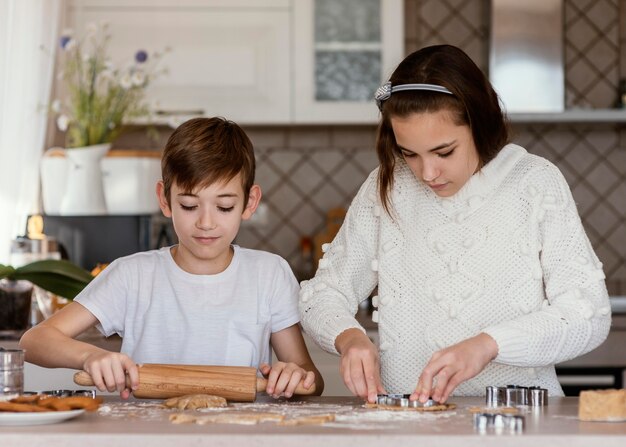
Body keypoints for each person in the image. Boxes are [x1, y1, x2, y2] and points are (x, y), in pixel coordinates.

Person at [298, 44, 611, 404]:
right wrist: (348, 336)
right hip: (410, 425)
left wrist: (488, 345)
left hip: (522, 424)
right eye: (409, 154)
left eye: (444, 152)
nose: (428, 173)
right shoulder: (386, 186)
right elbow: (321, 295)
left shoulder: (534, 183)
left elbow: (588, 314)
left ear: (480, 123)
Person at [21, 117, 324, 399]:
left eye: (225, 207)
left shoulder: (268, 274)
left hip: (240, 436)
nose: (206, 222)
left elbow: (311, 379)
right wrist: (90, 356)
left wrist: (295, 377)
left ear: (250, 202)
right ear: (165, 200)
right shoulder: (133, 276)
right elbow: (35, 341)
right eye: (190, 206)